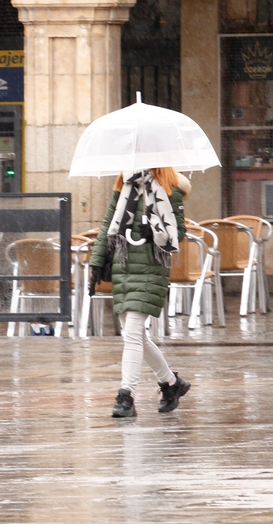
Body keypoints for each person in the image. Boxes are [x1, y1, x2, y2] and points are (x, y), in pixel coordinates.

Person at [89, 167, 192, 418]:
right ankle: (171, 384)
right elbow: (107, 226)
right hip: (123, 268)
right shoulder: (123, 186)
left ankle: (126, 396)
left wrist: (156, 233)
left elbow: (178, 231)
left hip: (151, 268)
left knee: (133, 332)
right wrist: (95, 264)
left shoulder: (170, 188)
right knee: (135, 336)